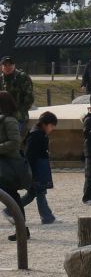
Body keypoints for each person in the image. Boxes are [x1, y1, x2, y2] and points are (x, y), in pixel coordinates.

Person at [18, 111, 57, 225]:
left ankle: (11, 210)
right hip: (35, 170)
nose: (52, 129)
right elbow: (30, 156)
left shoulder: (39, 133)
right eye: (51, 126)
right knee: (39, 192)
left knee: (33, 194)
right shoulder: (36, 135)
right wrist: (32, 173)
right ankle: (47, 217)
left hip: (37, 169)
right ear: (45, 124)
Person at [1, 91, 30, 241]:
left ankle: (22, 229)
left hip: (8, 164)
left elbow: (14, 142)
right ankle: (21, 229)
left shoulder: (9, 120)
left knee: (11, 196)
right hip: (4, 163)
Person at [0, 56, 35, 139]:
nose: (8, 67)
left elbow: (29, 98)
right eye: (5, 65)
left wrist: (17, 110)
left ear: (14, 65)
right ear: (1, 67)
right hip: (2, 116)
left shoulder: (22, 77)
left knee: (13, 140)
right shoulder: (1, 79)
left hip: (18, 117)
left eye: (10, 65)